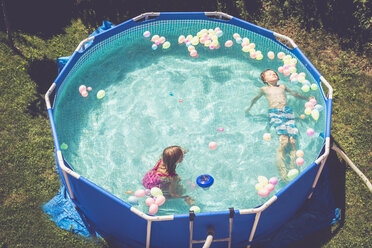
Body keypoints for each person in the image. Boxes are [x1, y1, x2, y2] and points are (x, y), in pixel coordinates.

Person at [245, 69, 310, 180]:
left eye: (274, 73)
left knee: (293, 141)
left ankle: (293, 169)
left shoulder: (282, 87)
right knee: (284, 142)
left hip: (287, 111)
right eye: (269, 74)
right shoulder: (264, 89)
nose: (273, 74)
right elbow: (256, 99)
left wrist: (306, 98)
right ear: (265, 80)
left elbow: (294, 93)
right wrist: (249, 108)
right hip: (275, 112)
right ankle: (283, 173)